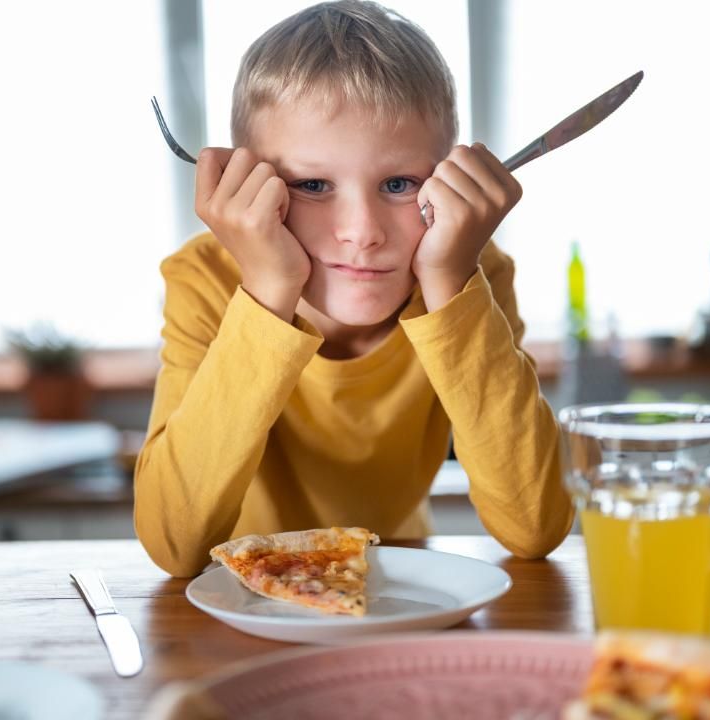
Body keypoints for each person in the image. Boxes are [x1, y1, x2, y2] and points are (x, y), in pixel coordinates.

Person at [134, 0, 573, 577]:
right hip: (239, 601)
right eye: (313, 184)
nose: (362, 233)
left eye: (398, 183)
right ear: (249, 185)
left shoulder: (471, 274)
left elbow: (535, 527)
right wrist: (268, 289)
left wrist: (449, 281)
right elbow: (175, 542)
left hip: (398, 588)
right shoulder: (204, 280)